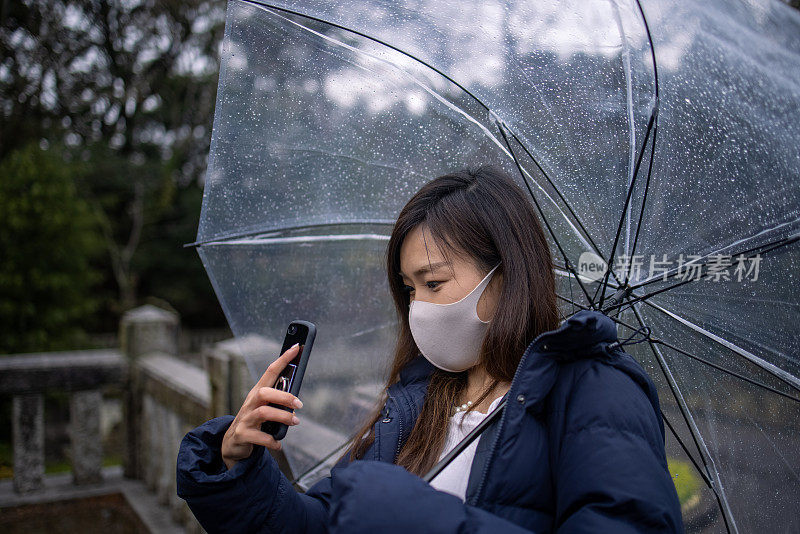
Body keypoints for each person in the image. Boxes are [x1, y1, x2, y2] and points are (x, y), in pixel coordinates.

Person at [176, 165, 684, 533]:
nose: (418, 307)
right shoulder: (417, 398)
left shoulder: (596, 392)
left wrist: (415, 515)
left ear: (506, 276)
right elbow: (324, 524)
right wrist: (238, 468)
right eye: (409, 288)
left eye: (434, 283)